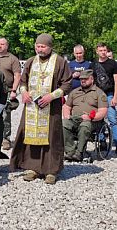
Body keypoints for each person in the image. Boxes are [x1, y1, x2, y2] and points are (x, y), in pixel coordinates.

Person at [10, 33, 72, 185]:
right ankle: (32, 168)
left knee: (52, 137)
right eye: (37, 46)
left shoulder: (59, 62)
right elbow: (23, 81)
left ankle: (51, 171)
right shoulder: (31, 61)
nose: (40, 49)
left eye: (43, 46)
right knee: (30, 136)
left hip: (51, 107)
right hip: (32, 107)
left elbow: (67, 84)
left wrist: (51, 96)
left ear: (50, 47)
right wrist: (23, 92)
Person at [63, 69, 108, 161]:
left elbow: (103, 111)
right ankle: (70, 151)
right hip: (75, 119)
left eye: (85, 79)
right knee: (63, 124)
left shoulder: (99, 93)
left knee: (85, 126)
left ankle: (79, 152)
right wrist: (67, 115)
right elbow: (66, 106)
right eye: (81, 79)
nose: (83, 81)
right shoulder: (74, 92)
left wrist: (91, 117)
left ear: (92, 79)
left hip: (92, 121)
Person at [90, 42, 117, 156]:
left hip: (109, 94)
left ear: (107, 50)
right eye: (100, 50)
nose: (103, 52)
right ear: (97, 51)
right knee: (98, 119)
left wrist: (115, 97)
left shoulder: (113, 64)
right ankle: (102, 141)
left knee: (112, 119)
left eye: (104, 50)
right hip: (97, 95)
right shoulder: (93, 64)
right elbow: (91, 81)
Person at [0, 37, 21, 150]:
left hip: (7, 90)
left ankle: (5, 139)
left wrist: (14, 90)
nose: (0, 46)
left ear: (7, 46)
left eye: (2, 44)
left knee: (5, 116)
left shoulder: (12, 59)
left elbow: (17, 75)